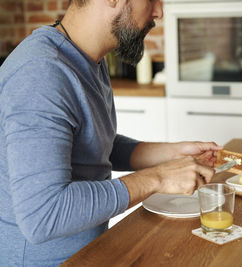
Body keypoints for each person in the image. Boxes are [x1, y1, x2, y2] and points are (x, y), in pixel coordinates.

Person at [0, 0, 222, 265]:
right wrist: (158, 179)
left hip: (89, 252)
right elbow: (44, 215)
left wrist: (172, 154)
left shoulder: (88, 58)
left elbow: (93, 146)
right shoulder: (41, 73)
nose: (159, 11)